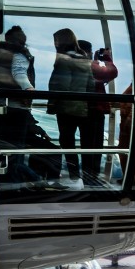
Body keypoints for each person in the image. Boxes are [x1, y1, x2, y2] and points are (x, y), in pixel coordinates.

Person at [0, 25, 42, 185]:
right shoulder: (20, 54)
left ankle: (9, 180)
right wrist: (29, 89)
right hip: (17, 108)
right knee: (16, 150)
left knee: (4, 149)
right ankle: (22, 183)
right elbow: (19, 72)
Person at [47, 28, 96, 185]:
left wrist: (52, 103)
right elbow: (91, 86)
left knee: (67, 141)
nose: (54, 44)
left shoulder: (63, 59)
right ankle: (89, 177)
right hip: (82, 108)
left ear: (62, 41)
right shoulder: (85, 59)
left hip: (66, 108)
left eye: (56, 40)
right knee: (86, 143)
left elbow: (60, 85)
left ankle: (74, 173)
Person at [79, 40, 118, 185]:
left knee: (87, 145)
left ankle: (89, 178)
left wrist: (95, 59)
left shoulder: (78, 63)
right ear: (86, 51)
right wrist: (106, 58)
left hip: (83, 109)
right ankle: (91, 180)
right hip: (94, 109)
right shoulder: (88, 64)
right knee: (94, 145)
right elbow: (112, 73)